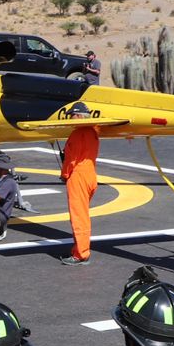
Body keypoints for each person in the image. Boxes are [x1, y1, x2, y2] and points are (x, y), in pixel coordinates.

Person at [59, 102, 98, 265]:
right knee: (83, 215)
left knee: (78, 216)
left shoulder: (76, 134)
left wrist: (64, 174)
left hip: (78, 177)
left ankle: (81, 254)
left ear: (79, 116)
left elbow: (72, 159)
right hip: (91, 174)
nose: (70, 119)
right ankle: (79, 249)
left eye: (72, 115)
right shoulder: (94, 130)